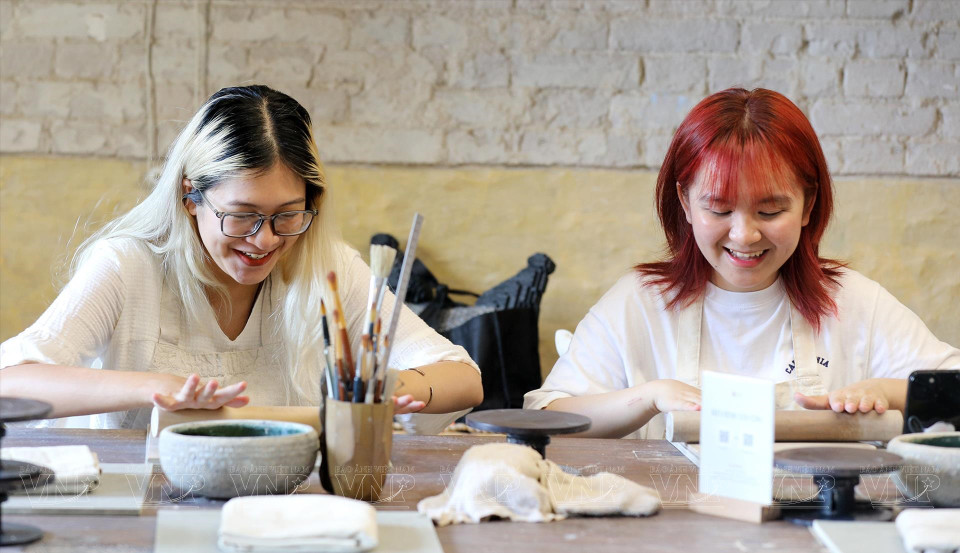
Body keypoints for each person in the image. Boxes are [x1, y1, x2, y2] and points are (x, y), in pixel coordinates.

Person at [0, 85, 482, 432]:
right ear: (191, 197)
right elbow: (10, 383)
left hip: (283, 499)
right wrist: (158, 387)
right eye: (242, 216)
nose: (265, 240)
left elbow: (463, 378)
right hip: (144, 507)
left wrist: (393, 385)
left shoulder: (327, 268)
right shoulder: (128, 266)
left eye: (287, 216)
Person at [524, 88, 960, 439]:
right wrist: (650, 397)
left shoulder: (853, 302)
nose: (744, 235)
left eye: (770, 212)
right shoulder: (639, 303)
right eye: (718, 209)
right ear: (685, 202)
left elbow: (953, 391)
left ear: (808, 206)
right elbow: (548, 416)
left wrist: (887, 391)